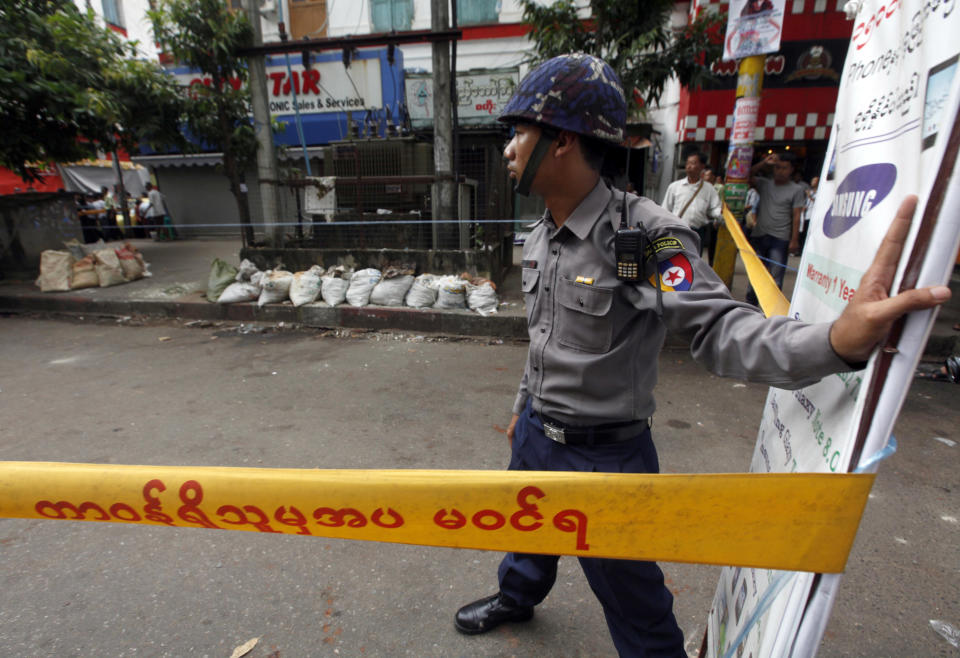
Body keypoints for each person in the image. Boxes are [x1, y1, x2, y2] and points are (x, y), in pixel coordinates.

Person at [452, 53, 951, 657]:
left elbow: (719, 328)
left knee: (635, 602)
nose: (508, 146)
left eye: (519, 130)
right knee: (524, 531)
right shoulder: (540, 236)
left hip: (603, 457)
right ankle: (518, 596)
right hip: (537, 433)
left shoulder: (647, 237)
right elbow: (543, 339)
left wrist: (835, 341)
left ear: (561, 141)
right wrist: (522, 407)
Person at [745, 152, 806, 305]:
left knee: (776, 278)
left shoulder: (796, 190)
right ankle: (750, 307)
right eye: (777, 168)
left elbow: (797, 216)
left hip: (780, 238)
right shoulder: (764, 184)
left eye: (784, 168)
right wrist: (763, 163)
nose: (780, 171)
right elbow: (746, 175)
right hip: (759, 235)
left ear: (791, 170)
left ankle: (770, 310)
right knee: (755, 275)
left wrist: (794, 240)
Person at [661, 150, 721, 262]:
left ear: (702, 166)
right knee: (674, 262)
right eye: (687, 163)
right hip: (677, 231)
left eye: (693, 163)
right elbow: (665, 209)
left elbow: (715, 208)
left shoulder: (709, 189)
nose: (689, 166)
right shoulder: (675, 187)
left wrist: (719, 215)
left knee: (693, 263)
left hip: (697, 233)